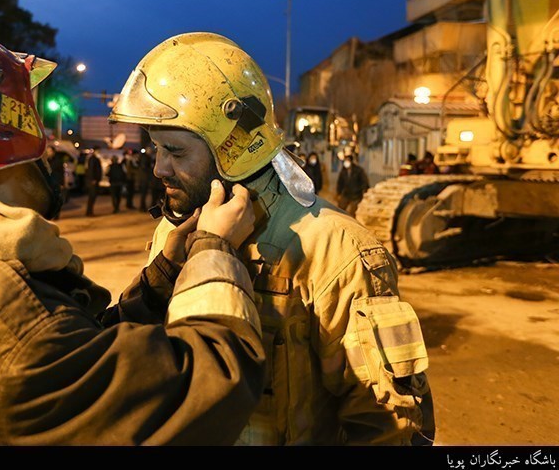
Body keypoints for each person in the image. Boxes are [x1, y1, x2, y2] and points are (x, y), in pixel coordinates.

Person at [0, 29, 265, 445]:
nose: (43, 142)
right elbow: (210, 388)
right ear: (1, 138)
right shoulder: (16, 335)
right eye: (32, 119)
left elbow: (92, 357)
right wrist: (215, 250)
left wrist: (162, 277)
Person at [109, 32, 435, 446]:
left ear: (233, 146)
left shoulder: (338, 251)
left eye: (174, 151)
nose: (159, 169)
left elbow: (388, 427)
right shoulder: (174, 235)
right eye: (155, 149)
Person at [85, 146, 102, 216]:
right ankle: (89, 212)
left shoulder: (95, 158)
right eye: (98, 151)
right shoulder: (93, 159)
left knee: (93, 196)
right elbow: (91, 170)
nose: (99, 152)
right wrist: (93, 179)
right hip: (93, 181)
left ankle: (90, 211)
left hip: (94, 180)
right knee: (92, 196)